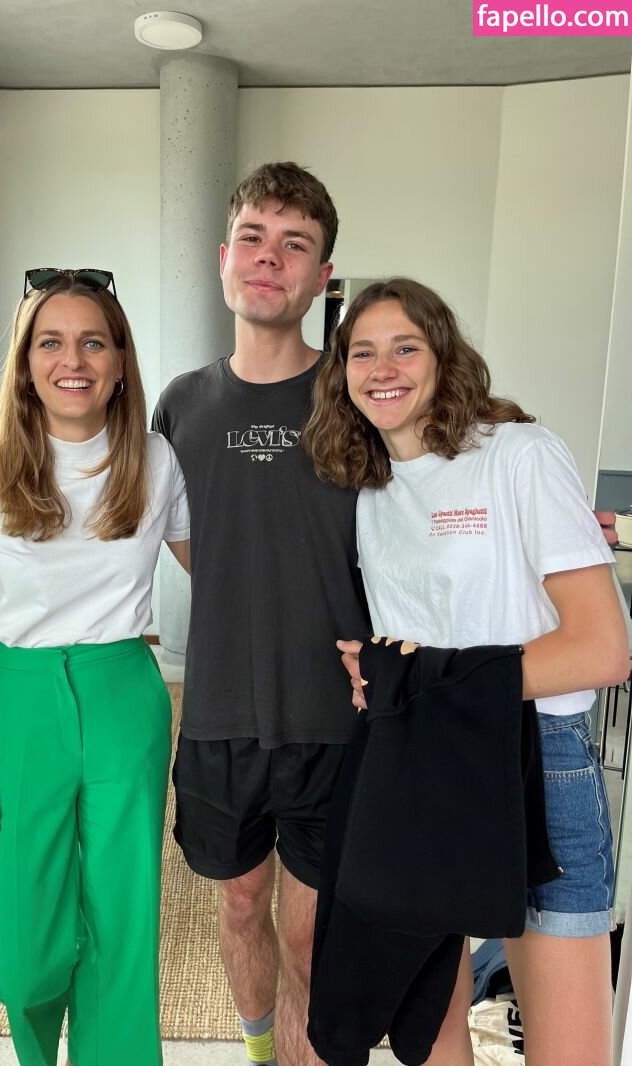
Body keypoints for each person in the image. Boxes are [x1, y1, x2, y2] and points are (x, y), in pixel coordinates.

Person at [303, 276, 630, 1066]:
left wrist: (418, 681)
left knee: (570, 1054)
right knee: (427, 1036)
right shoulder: (371, 486)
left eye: (405, 348)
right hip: (422, 763)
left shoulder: (518, 454)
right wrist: (377, 674)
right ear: (341, 373)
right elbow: (414, 646)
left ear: (443, 356)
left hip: (537, 759)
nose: (383, 369)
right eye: (361, 353)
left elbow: (601, 649)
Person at [0, 268, 190, 1066]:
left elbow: (224, 572)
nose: (72, 360)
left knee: (121, 919)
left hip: (124, 694)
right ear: (26, 361)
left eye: (92, 342)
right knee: (20, 934)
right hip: (19, 700)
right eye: (51, 342)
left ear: (120, 362)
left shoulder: (155, 460)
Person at [153, 162, 369, 1066]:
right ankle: (255, 1053)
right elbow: (183, 538)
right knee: (241, 902)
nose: (269, 259)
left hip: (336, 716)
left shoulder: (359, 396)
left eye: (295, 245)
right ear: (223, 259)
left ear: (322, 277)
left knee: (312, 937)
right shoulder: (180, 404)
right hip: (219, 715)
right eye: (254, 238)